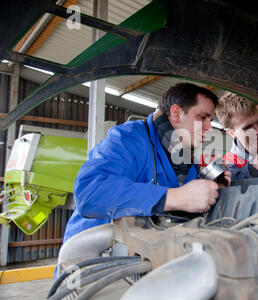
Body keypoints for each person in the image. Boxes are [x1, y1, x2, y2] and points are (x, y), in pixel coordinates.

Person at [62, 82, 230, 243]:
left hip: (147, 254)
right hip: (93, 257)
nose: (209, 127)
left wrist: (211, 189)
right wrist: (176, 197)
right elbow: (89, 193)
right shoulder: (128, 139)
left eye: (211, 120)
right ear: (176, 113)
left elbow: (186, 203)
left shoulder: (185, 158)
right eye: (202, 118)